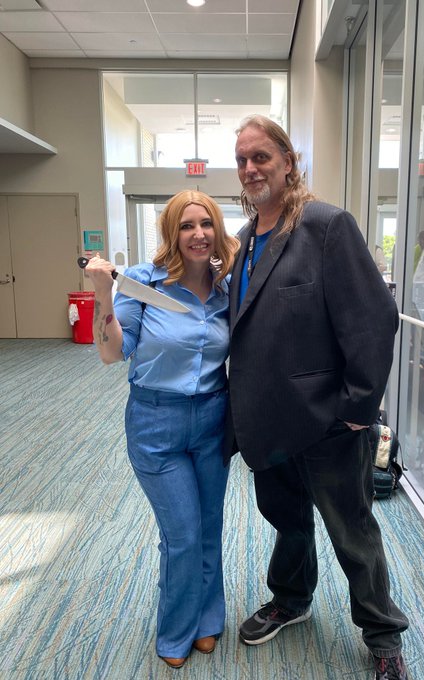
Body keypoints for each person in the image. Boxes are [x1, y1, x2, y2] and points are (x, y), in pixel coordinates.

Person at [225, 115, 409, 680]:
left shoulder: (326, 226)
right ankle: (291, 599)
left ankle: (383, 636)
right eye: (242, 160)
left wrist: (357, 410)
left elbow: (374, 320)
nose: (251, 168)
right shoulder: (243, 239)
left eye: (261, 156)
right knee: (288, 522)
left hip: (328, 423)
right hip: (268, 419)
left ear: (288, 161)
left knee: (352, 533)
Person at [85, 190, 239, 669]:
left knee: (209, 526)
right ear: (172, 233)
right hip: (156, 423)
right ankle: (176, 630)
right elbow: (113, 352)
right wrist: (103, 295)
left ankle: (208, 618)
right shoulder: (140, 282)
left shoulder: (226, 289)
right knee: (183, 534)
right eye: (186, 225)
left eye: (206, 224)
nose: (198, 234)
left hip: (212, 418)